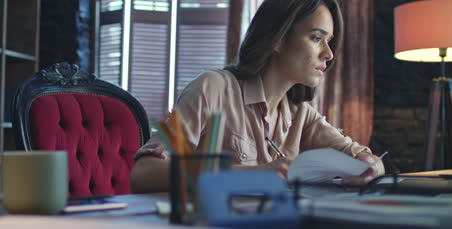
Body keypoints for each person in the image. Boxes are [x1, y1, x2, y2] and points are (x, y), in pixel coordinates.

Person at [130, 0, 385, 193]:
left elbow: (369, 160)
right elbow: (142, 173)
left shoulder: (301, 115)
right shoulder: (213, 89)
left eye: (329, 41)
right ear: (277, 39)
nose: (328, 54)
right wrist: (246, 174)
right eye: (316, 38)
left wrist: (368, 166)